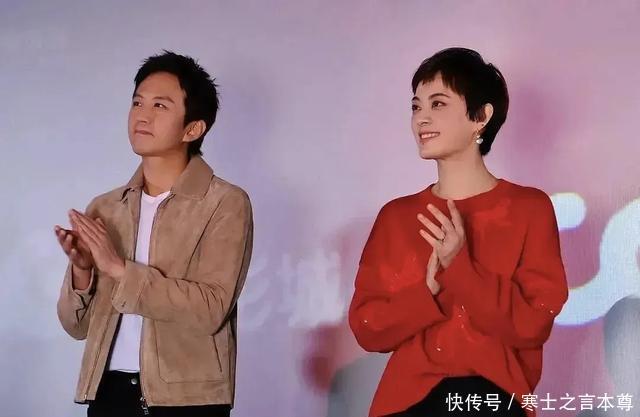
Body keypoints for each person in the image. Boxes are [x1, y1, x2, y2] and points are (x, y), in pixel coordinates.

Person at [348, 47, 568, 417]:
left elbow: (533, 324)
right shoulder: (397, 217)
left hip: (492, 400)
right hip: (407, 402)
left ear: (481, 116)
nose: (421, 118)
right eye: (416, 106)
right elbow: (367, 328)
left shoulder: (529, 208)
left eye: (438, 104)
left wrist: (461, 269)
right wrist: (427, 291)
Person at [55, 51, 253, 417]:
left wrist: (120, 270)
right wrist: (83, 272)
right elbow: (76, 327)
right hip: (109, 393)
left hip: (188, 400)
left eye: (160, 105)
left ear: (192, 129)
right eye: (137, 102)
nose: (142, 115)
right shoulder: (106, 207)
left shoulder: (224, 203)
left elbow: (211, 309)